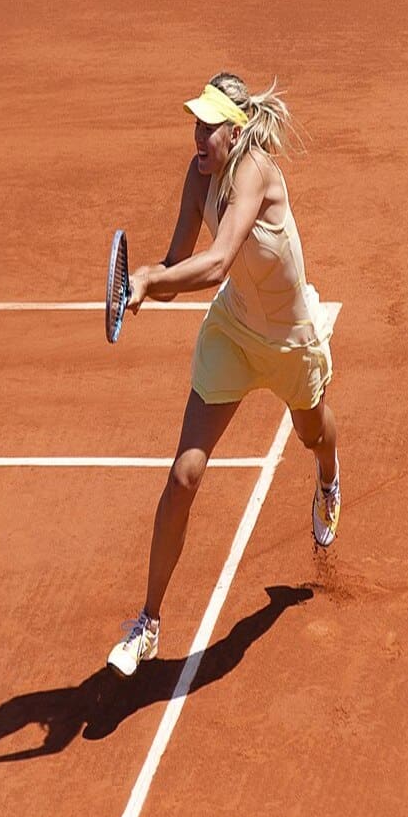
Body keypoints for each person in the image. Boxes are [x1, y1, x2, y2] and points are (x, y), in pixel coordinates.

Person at [107, 72, 340, 678]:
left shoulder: (257, 173)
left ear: (236, 134)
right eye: (196, 123)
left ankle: (328, 477)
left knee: (313, 434)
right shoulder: (198, 175)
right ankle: (149, 621)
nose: (200, 136)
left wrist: (158, 280)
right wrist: (142, 285)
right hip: (235, 334)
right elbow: (180, 265)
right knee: (185, 475)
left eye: (211, 126)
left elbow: (214, 266)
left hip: (289, 339)